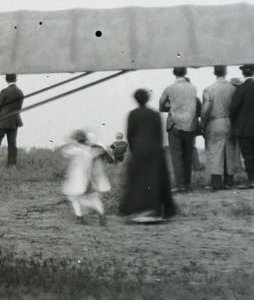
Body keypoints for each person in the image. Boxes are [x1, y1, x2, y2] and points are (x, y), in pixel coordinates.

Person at [118, 89, 177, 222]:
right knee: (155, 180)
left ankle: (136, 209)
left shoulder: (133, 114)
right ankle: (157, 210)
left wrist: (135, 151)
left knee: (137, 179)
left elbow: (130, 135)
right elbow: (160, 135)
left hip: (139, 150)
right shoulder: (155, 113)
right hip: (156, 151)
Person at [159, 67, 202, 191]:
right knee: (188, 156)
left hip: (174, 125)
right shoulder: (193, 88)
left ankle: (181, 185)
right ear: (185, 73)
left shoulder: (169, 89)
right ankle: (187, 183)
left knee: (176, 156)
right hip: (190, 125)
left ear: (174, 73)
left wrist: (168, 107)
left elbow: (161, 104)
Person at [228, 64, 254, 187]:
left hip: (243, 127)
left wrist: (235, 122)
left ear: (243, 74)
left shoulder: (240, 88)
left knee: (248, 154)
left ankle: (252, 179)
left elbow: (234, 109)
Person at [198, 66, 239, 190]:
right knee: (230, 151)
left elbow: (206, 109)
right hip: (230, 122)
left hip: (214, 122)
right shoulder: (234, 89)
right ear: (226, 73)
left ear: (214, 73)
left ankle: (216, 183)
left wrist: (202, 124)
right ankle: (229, 182)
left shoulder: (209, 90)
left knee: (214, 152)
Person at [59, 130, 110, 225]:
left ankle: (80, 217)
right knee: (93, 198)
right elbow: (99, 152)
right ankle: (101, 214)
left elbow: (65, 152)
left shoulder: (77, 150)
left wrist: (72, 142)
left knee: (75, 198)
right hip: (90, 179)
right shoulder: (90, 150)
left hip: (79, 180)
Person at [0, 74, 24, 167]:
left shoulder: (4, 91)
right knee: (12, 143)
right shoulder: (20, 92)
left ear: (7, 80)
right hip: (15, 120)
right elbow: (19, 107)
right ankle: (12, 164)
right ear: (15, 79)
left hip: (3, 120)